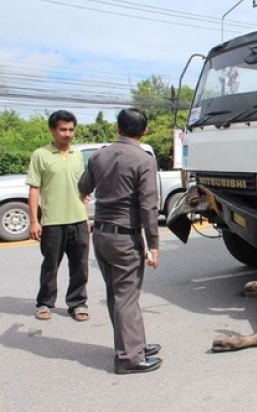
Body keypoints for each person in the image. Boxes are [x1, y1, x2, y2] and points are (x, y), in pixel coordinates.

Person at [78, 108, 162, 374]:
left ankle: (133, 344)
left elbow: (83, 188)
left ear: (118, 128)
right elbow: (148, 207)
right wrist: (154, 246)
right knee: (126, 296)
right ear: (145, 130)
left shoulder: (99, 155)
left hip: (101, 235)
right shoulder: (143, 159)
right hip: (125, 237)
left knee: (117, 295)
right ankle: (129, 358)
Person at [26, 110, 90, 322]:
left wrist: (86, 206)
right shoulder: (40, 155)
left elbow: (82, 186)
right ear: (52, 130)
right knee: (50, 266)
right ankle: (44, 303)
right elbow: (34, 189)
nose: (68, 134)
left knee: (80, 265)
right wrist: (35, 221)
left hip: (79, 220)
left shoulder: (78, 155)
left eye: (71, 129)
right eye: (63, 129)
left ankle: (78, 303)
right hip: (52, 222)